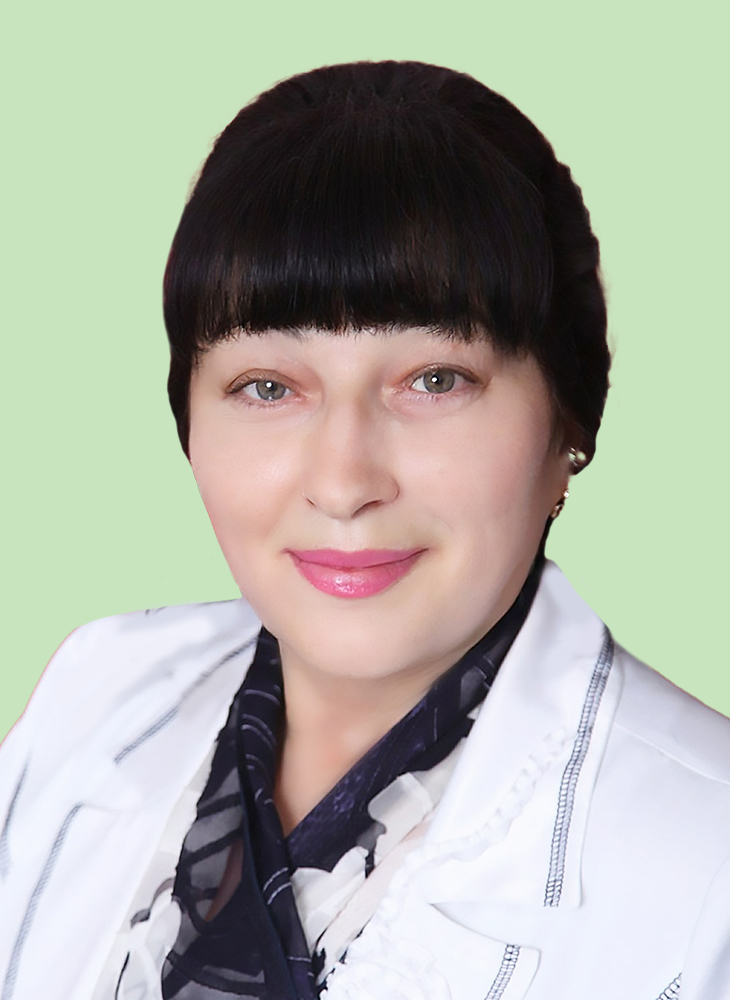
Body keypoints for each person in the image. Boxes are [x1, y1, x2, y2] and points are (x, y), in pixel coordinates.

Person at [1, 60, 729, 1000]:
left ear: (567, 428)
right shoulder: (97, 690)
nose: (344, 484)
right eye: (268, 387)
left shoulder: (707, 866)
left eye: (435, 380)